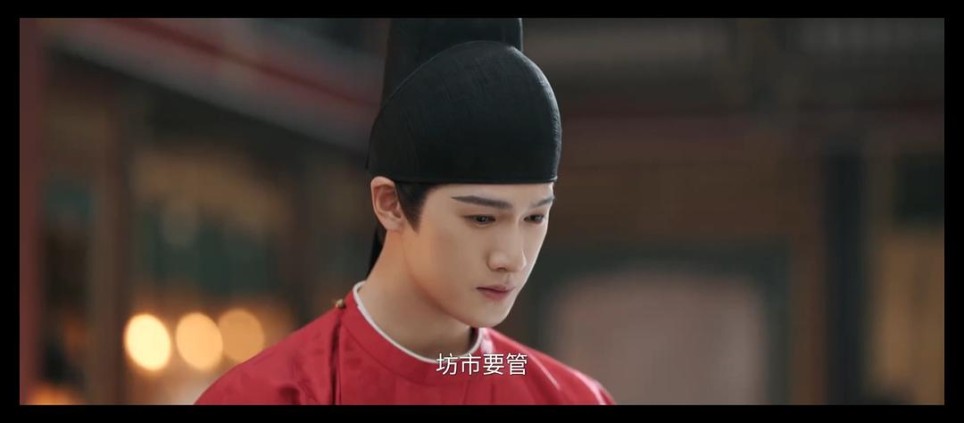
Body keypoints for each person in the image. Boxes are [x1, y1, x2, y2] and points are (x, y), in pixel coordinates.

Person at [195, 18, 614, 405]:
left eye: (535, 217)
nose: (512, 258)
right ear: (390, 203)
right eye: (482, 218)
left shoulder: (571, 399)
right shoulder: (265, 396)